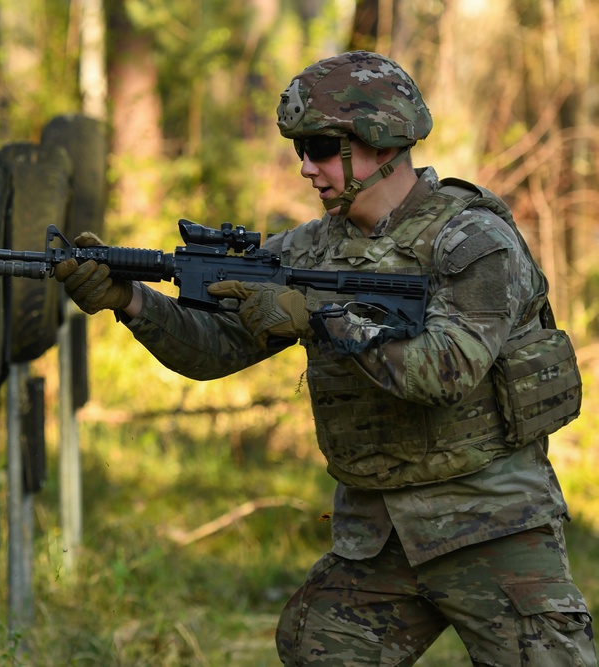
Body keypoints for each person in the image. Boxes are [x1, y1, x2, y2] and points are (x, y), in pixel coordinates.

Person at [55, 51, 596, 666]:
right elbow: (214, 350)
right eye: (299, 150)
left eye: (318, 147)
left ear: (380, 142)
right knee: (316, 646)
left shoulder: (471, 241)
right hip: (379, 538)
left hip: (492, 526)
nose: (306, 168)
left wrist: (319, 317)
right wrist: (130, 300)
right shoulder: (309, 248)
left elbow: (447, 369)